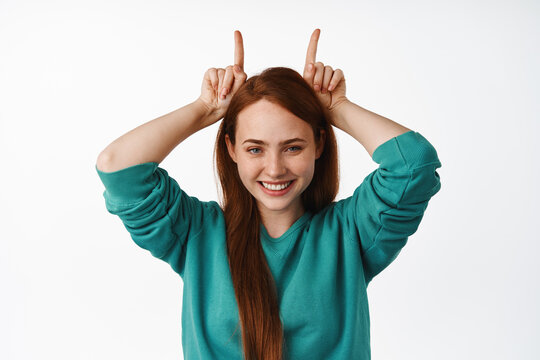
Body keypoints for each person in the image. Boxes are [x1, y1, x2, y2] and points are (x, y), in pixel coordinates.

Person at [95, 29, 442, 360]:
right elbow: (117, 166)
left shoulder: (351, 234)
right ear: (231, 148)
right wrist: (204, 109)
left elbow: (413, 164)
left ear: (319, 144)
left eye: (292, 147)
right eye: (255, 149)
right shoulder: (196, 234)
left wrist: (336, 108)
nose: (274, 169)